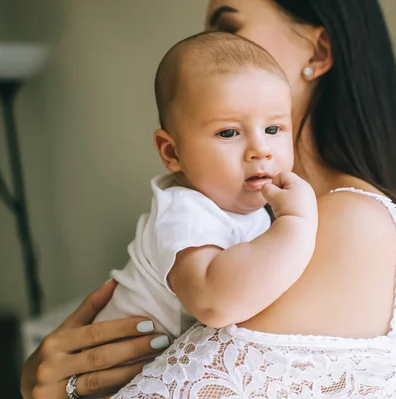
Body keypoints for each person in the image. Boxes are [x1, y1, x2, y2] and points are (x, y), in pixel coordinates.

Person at [21, 1, 396, 398]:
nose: (217, 50)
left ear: (317, 52)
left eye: (228, 27)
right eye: (228, 133)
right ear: (170, 151)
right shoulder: (212, 209)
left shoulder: (349, 223)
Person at [93, 32, 317, 342]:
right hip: (111, 376)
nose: (260, 149)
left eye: (273, 128)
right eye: (228, 133)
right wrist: (297, 226)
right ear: (172, 152)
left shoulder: (247, 209)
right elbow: (214, 303)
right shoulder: (184, 210)